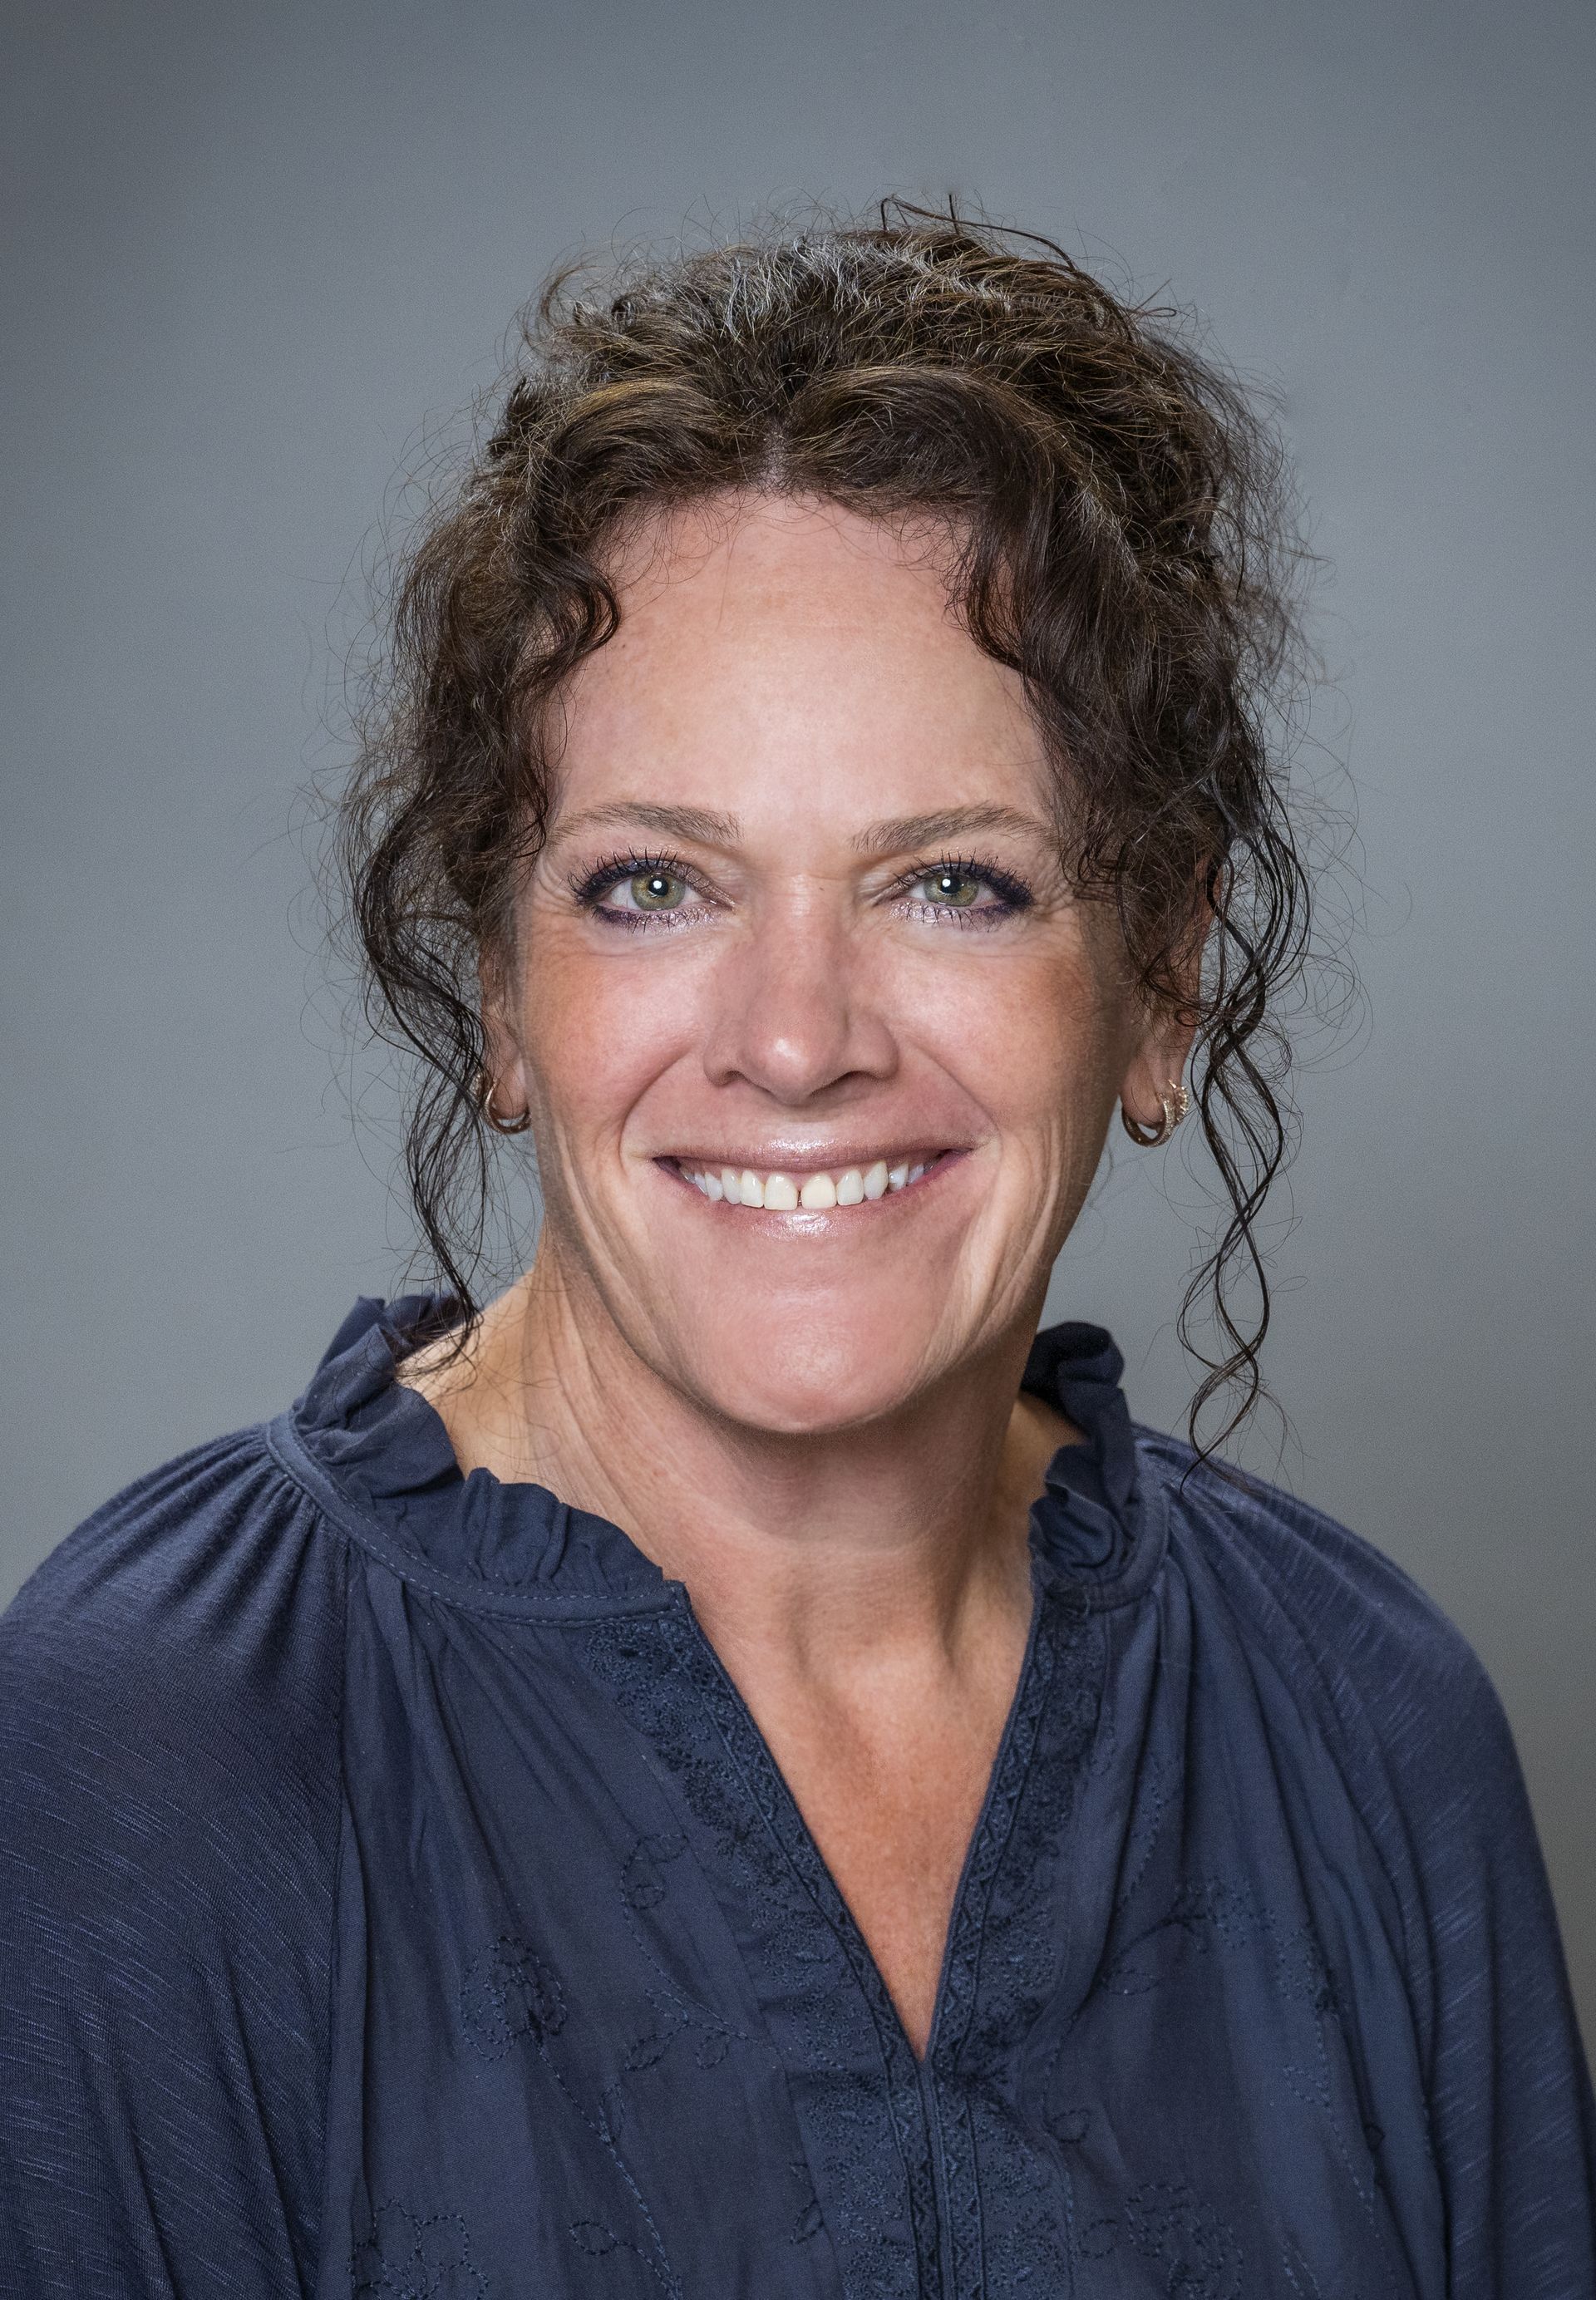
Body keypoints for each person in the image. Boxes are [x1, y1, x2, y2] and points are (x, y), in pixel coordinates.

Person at [2, 208, 1591, 2300]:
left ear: (1167, 973)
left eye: (954, 882)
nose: (795, 1038)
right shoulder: (155, 1744)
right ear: (496, 983)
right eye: (653, 883)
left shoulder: (1369, 1732)